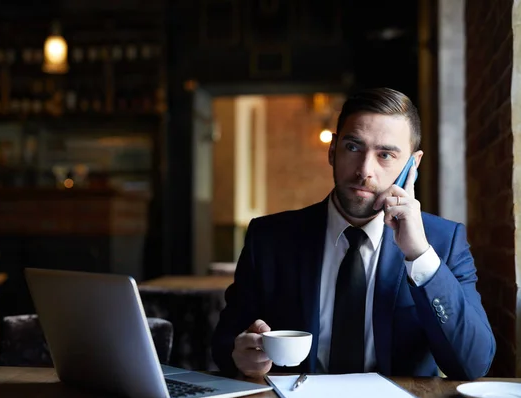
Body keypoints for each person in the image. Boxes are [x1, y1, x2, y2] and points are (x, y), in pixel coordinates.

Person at [211, 88, 495, 380]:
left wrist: (419, 255)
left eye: (385, 155)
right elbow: (224, 342)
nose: (364, 170)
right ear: (333, 150)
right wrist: (241, 355)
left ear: (413, 164)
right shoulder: (268, 238)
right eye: (353, 148)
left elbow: (472, 364)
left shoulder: (443, 243)